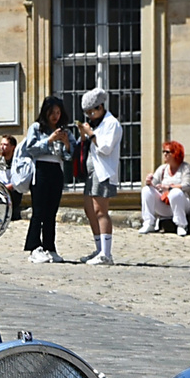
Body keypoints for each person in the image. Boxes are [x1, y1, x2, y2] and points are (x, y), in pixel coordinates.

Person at [20, 96, 70, 263]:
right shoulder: (36, 128)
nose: (55, 116)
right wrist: (49, 140)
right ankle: (34, 246)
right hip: (41, 169)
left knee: (51, 212)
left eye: (58, 112)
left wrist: (66, 143)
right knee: (39, 211)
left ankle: (50, 246)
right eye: (52, 112)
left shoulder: (64, 131)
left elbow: (69, 155)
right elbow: (31, 148)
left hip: (56, 170)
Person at [76, 88, 122, 265]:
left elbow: (105, 148)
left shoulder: (112, 124)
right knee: (90, 210)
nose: (90, 116)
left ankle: (106, 254)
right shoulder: (96, 124)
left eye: (91, 112)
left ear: (100, 107)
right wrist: (84, 134)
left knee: (100, 211)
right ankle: (99, 248)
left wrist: (91, 134)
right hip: (91, 172)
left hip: (103, 172)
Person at [140, 141, 190, 236]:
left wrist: (169, 188)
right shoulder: (163, 168)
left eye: (167, 152)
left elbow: (187, 185)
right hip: (165, 203)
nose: (164, 154)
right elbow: (154, 183)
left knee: (175, 192)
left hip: (183, 204)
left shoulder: (185, 168)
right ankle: (149, 223)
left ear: (175, 154)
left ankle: (181, 225)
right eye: (163, 151)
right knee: (146, 190)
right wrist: (149, 182)